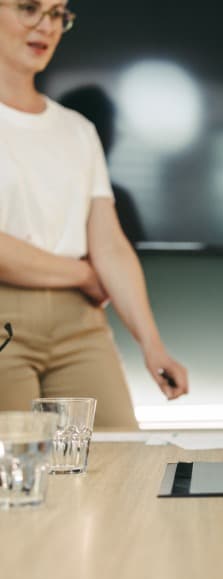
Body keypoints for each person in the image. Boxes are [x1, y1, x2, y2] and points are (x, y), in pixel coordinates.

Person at [0, 0, 188, 428]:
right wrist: (81, 274)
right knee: (16, 480)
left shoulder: (77, 130)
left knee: (120, 463)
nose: (45, 26)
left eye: (57, 14)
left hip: (80, 325)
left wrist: (153, 345)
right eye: (30, 8)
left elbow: (110, 245)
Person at [57, 84, 146, 247]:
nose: (117, 137)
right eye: (111, 128)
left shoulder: (117, 200)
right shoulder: (45, 193)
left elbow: (125, 255)